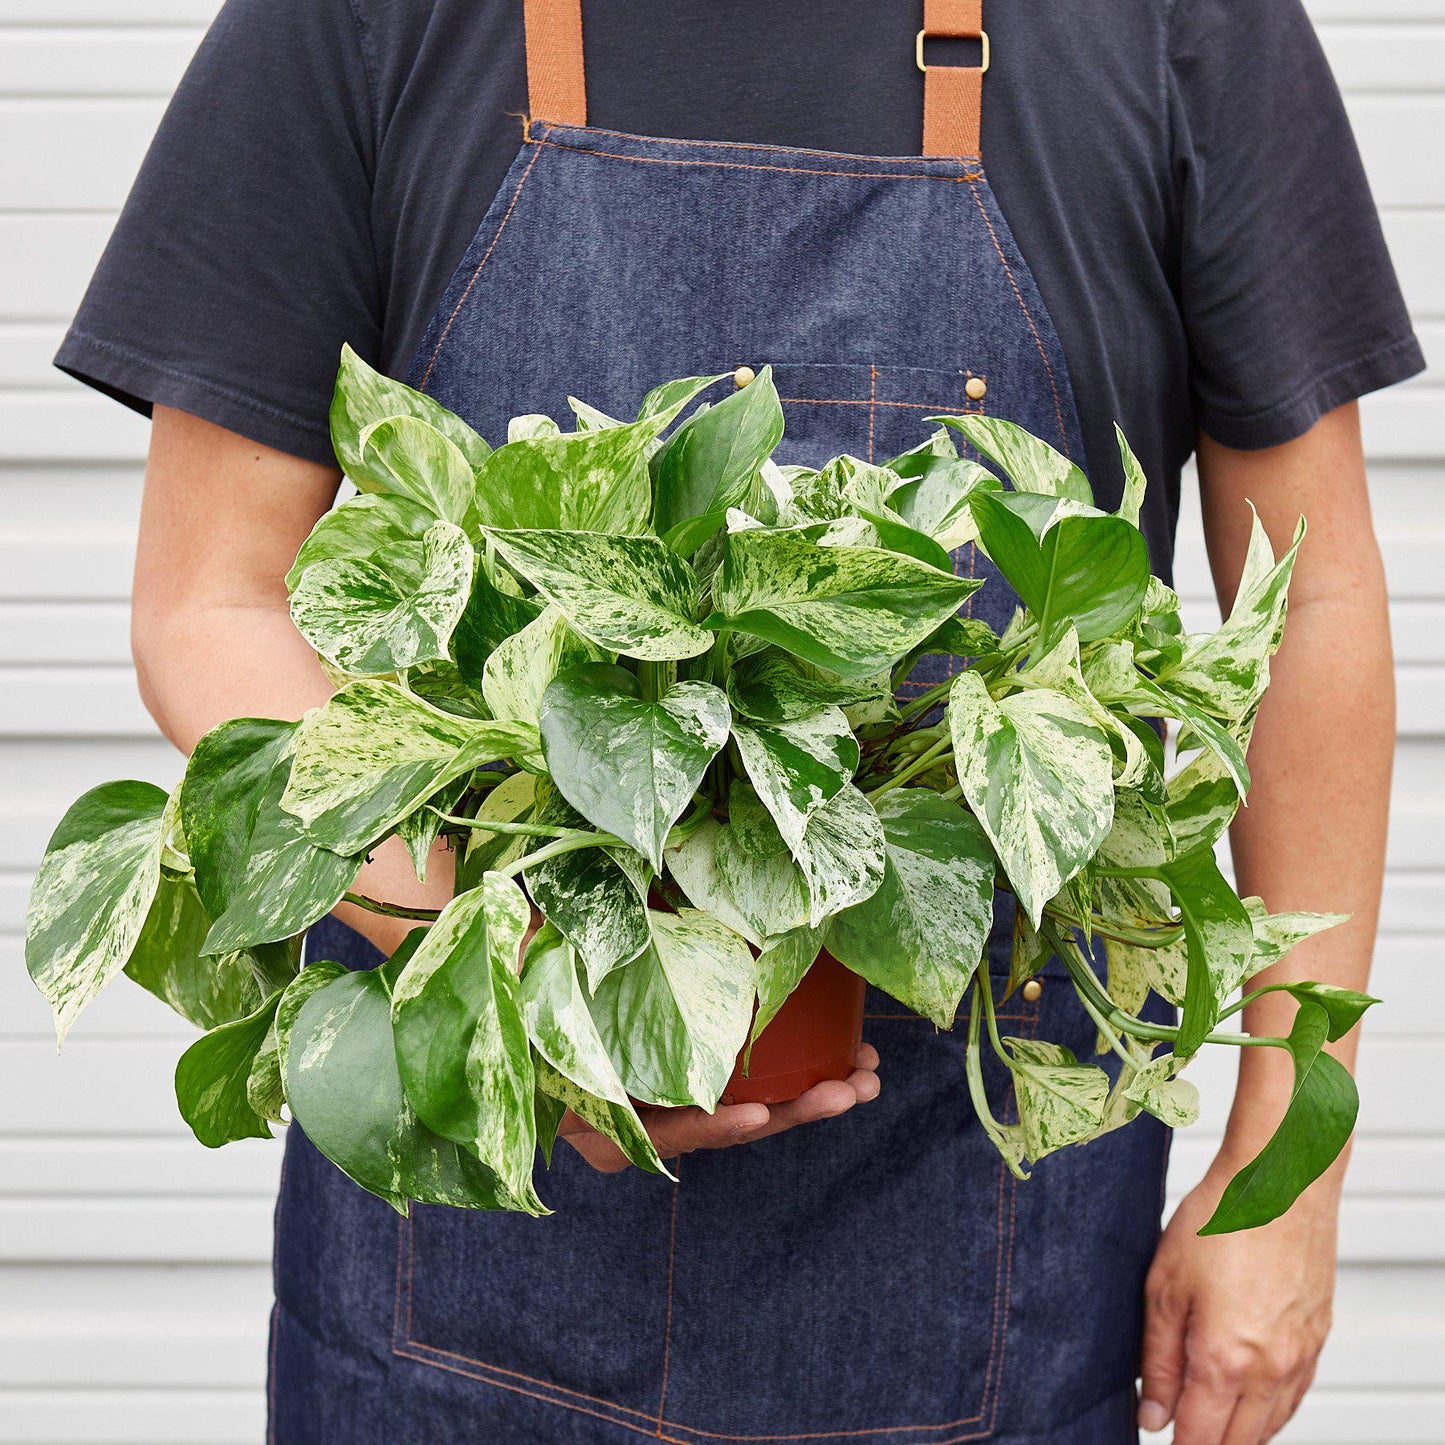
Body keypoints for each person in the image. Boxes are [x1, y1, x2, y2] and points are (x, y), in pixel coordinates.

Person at [55, 1, 1419, 1441]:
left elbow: (1309, 607)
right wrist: (525, 993)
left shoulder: (1169, 24)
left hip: (968, 1266)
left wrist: (1287, 1177)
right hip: (466, 1287)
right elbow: (209, 601)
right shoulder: (371, 22)